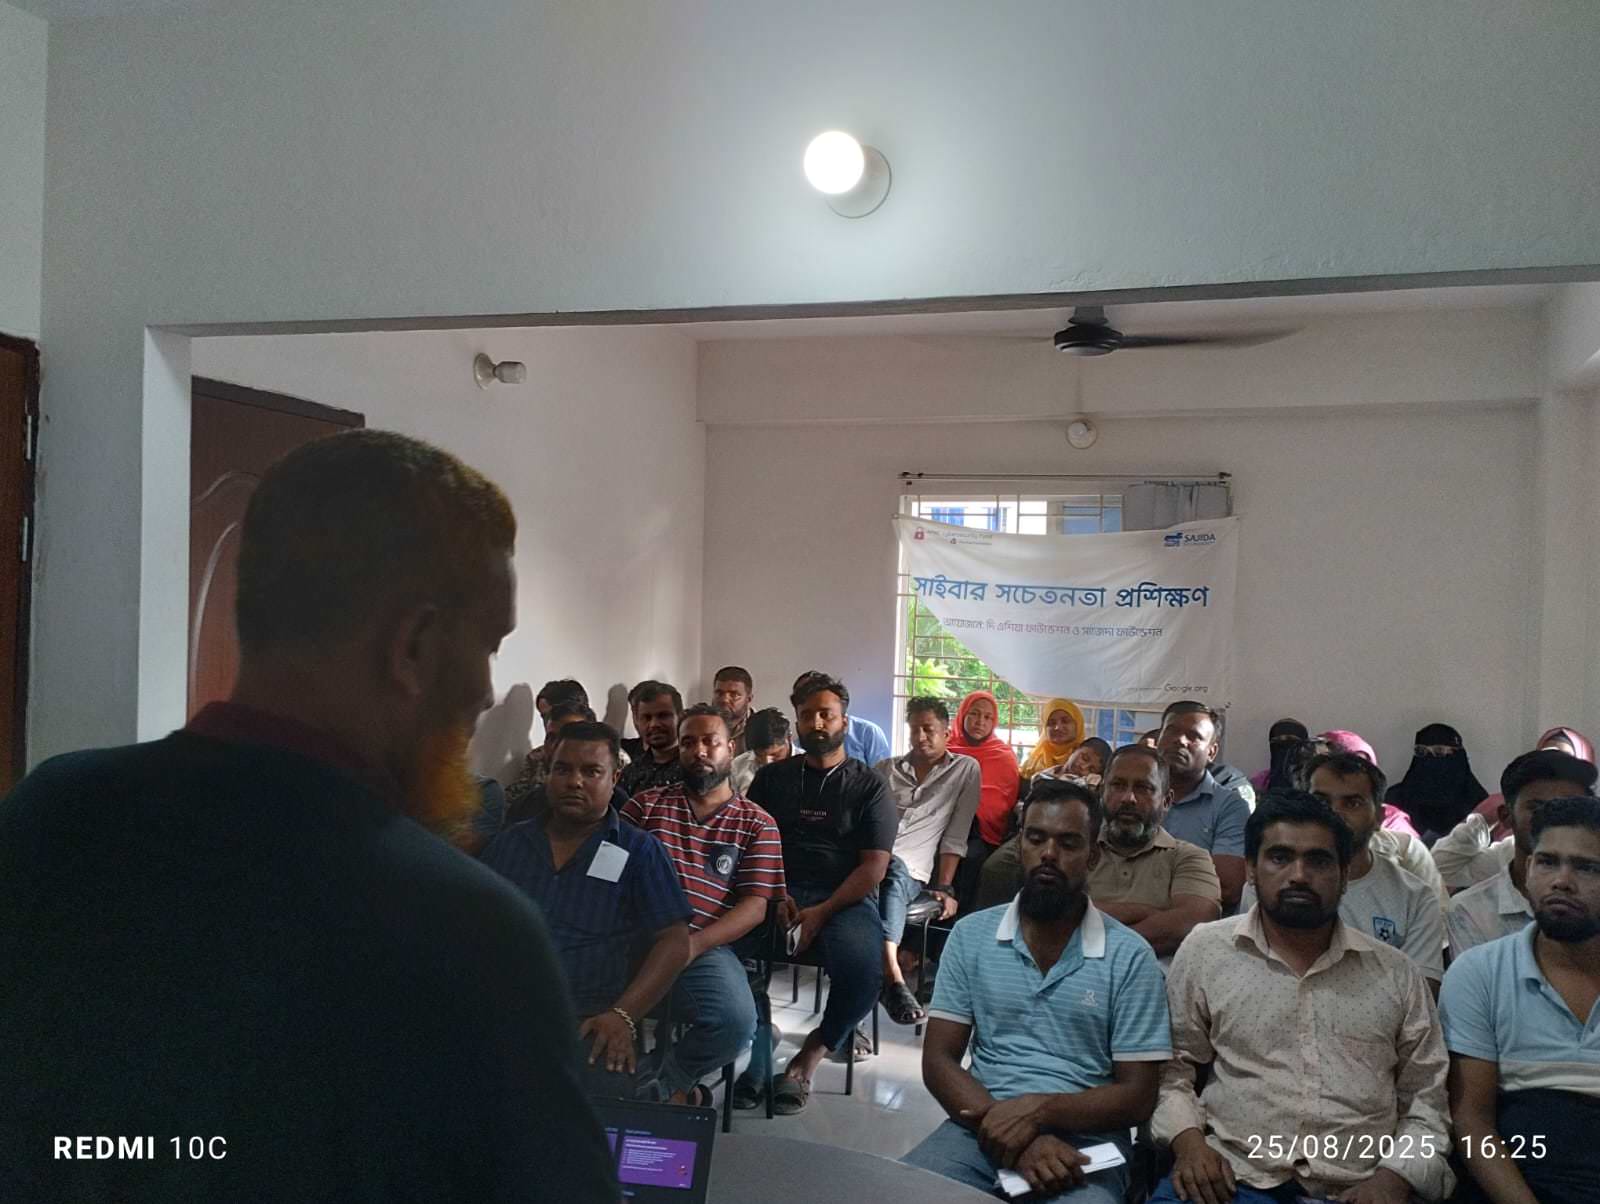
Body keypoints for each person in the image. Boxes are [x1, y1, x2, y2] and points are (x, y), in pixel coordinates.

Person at [0, 431, 616, 1201]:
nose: (488, 691)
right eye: (488, 645)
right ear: (414, 645)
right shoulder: (470, 930)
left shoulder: (49, 812)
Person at [1150, 791, 1454, 1204]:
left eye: (1318, 861)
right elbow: (1171, 1070)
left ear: (1344, 875)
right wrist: (1189, 1144)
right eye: (1280, 857)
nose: (1298, 875)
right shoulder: (1207, 951)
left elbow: (1427, 1101)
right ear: (1251, 869)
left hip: (1360, 1185)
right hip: (1231, 1178)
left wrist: (1395, 1179)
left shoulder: (1395, 973)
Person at [903, 781, 1171, 1203]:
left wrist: (1039, 1113)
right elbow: (939, 1060)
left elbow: (1138, 1096)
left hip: (1087, 1144)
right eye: (1036, 838)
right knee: (902, 1193)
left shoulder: (1129, 956)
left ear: (1093, 856)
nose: (1049, 853)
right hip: (980, 1127)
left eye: (1068, 843)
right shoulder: (972, 936)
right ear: (1019, 845)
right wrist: (1018, 1136)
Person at [481, 721, 693, 1100]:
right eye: (562, 769)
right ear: (547, 774)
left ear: (614, 779)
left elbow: (674, 941)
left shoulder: (639, 851)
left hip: (589, 1020)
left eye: (591, 771)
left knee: (591, 1114)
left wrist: (623, 1016)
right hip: (505, 1012)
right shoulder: (509, 844)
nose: (574, 782)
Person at [747, 673, 897, 1114]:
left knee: (864, 970)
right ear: (795, 723)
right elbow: (753, 844)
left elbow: (874, 867)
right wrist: (775, 893)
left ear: (844, 722)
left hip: (844, 896)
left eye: (826, 714)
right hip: (777, 890)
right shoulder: (771, 779)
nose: (816, 722)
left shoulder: (870, 786)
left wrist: (823, 911)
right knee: (730, 948)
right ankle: (758, 1052)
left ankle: (810, 1055)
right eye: (807, 714)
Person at [621, 705, 786, 1105]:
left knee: (736, 1023)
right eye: (689, 742)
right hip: (632, 938)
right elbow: (611, 871)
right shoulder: (645, 806)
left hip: (703, 944)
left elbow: (754, 907)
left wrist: (690, 947)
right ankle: (660, 1091)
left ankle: (658, 1086)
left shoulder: (757, 823)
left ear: (731, 749)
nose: (699, 751)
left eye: (710, 742)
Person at [1441, 796, 1600, 1204]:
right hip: (1515, 1180)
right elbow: (1471, 1122)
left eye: (1587, 867)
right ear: (1527, 871)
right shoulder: (1479, 973)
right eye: (1547, 862)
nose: (1562, 881)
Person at [1244, 752, 1445, 989]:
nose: (1335, 813)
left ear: (1379, 817)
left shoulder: (1415, 897)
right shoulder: (1271, 883)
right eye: (1321, 801)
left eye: (1352, 803)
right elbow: (1252, 974)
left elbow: (1421, 991)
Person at [874, 697, 982, 1025]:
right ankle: (886, 978)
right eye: (914, 729)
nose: (919, 736)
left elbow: (956, 835)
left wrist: (945, 886)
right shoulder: (885, 769)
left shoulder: (964, 770)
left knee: (892, 872)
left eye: (928, 729)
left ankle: (889, 976)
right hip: (868, 861)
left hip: (908, 872)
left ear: (947, 733)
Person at [1446, 748, 1597, 955]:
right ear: (1506, 816)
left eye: (1569, 809)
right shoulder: (1473, 911)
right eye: (1537, 808)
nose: (1553, 821)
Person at [1088, 745, 1221, 959]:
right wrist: (1145, 911)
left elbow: (1193, 922)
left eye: (1143, 788)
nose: (1128, 798)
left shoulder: (1188, 857)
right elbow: (1057, 914)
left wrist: (1092, 939)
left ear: (1166, 801)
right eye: (1118, 785)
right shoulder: (1078, 849)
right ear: (1102, 792)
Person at [1157, 701, 1253, 912]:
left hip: (1194, 925)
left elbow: (1226, 888)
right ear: (1158, 739)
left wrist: (1140, 897)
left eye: (1194, 736)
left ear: (1212, 752)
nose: (1180, 740)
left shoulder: (1230, 807)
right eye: (1171, 731)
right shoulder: (1133, 797)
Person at [949, 690, 1023, 909]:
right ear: (962, 714)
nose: (980, 721)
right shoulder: (946, 749)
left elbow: (1001, 802)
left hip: (981, 833)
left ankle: (962, 916)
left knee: (971, 858)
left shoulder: (1003, 755)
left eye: (988, 717)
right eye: (974, 713)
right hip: (942, 823)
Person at [1469, 725, 1594, 841]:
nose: (1551, 762)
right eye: (1535, 807)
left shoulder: (1592, 819)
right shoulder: (1498, 803)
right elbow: (1463, 842)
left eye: (1564, 758)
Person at [1386, 722, 1489, 843]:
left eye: (1439, 751)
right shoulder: (1396, 798)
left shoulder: (1478, 804)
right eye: (1421, 751)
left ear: (1457, 755)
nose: (1428, 758)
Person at [503, 697, 596, 822]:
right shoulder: (525, 804)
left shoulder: (609, 800)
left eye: (568, 738)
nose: (555, 747)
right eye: (551, 738)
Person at [618, 680, 685, 798]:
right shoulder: (631, 772)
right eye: (647, 717)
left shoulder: (694, 767)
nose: (654, 724)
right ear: (637, 721)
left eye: (663, 716)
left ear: (680, 717)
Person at [1019, 697, 1086, 780]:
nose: (1058, 727)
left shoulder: (1087, 760)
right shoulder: (1033, 762)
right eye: (1051, 723)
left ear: (1077, 725)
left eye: (1065, 721)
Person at [730, 707, 793, 795]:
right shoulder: (737, 766)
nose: (767, 762)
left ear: (789, 739)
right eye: (759, 755)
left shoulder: (808, 765)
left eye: (775, 755)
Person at [1248, 718, 1308, 793]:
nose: (1282, 744)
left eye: (1290, 739)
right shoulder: (1259, 782)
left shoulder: (1314, 780)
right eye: (1276, 741)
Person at [712, 665, 755, 754]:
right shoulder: (700, 725)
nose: (724, 700)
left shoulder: (762, 729)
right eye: (719, 693)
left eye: (734, 695)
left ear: (749, 699)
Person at [1036, 736, 1112, 787]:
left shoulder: (1082, 787)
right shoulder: (1041, 775)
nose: (1083, 767)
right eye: (1084, 758)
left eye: (1091, 769)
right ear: (1075, 749)